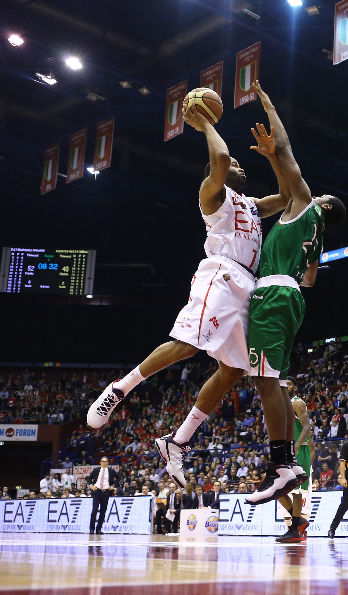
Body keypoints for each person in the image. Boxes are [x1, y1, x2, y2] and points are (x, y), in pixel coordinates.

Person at [87, 96, 293, 491]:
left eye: (239, 164)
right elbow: (219, 161)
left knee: (234, 370)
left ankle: (176, 440)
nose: (237, 165)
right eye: (235, 164)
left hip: (247, 285)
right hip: (220, 275)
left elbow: (285, 198)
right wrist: (206, 126)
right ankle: (119, 390)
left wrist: (271, 155)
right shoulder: (211, 197)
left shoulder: (250, 204)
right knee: (187, 345)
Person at [243, 81, 346, 505]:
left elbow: (289, 160)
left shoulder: (308, 206)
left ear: (321, 204)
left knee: (264, 381)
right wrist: (272, 160)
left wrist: (269, 107)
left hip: (275, 296)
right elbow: (310, 280)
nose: (311, 193)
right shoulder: (316, 233)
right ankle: (286, 464)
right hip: (291, 299)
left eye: (316, 196)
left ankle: (282, 465)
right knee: (277, 385)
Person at [276, 377, 314, 543]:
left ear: (295, 388)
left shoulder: (297, 403)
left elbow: (307, 427)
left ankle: (294, 530)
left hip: (297, 450)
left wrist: (296, 445)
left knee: (296, 491)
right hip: (284, 451)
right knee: (275, 489)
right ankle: (299, 522)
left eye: (289, 384)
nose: (286, 386)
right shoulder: (282, 403)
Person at [88, 457, 118, 534]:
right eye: (103, 461)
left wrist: (113, 485)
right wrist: (91, 485)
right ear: (100, 462)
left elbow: (118, 478)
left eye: (106, 461)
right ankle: (91, 528)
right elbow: (89, 478)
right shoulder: (96, 470)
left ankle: (98, 529)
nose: (104, 463)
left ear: (108, 462)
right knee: (94, 510)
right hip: (96, 491)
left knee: (103, 511)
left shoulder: (111, 471)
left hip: (106, 492)